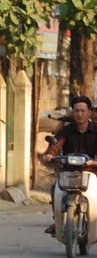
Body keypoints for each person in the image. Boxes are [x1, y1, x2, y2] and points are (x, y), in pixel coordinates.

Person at [41, 95, 97, 234]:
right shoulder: (66, 130)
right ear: (73, 112)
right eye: (76, 111)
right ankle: (58, 221)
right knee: (55, 188)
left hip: (92, 171)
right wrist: (50, 154)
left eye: (83, 111)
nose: (79, 114)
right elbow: (55, 144)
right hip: (69, 172)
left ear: (89, 112)